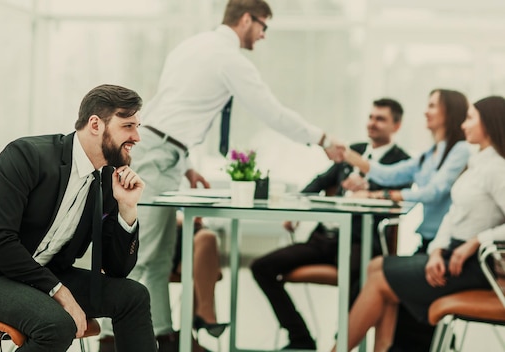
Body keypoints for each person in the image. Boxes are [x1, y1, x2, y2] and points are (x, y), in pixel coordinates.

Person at [99, 1, 345, 350]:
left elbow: (169, 110)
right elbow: (270, 111)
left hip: (163, 152)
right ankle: (114, 341)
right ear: (247, 19)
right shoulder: (229, 59)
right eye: (263, 26)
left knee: (156, 257)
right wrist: (321, 139)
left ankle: (163, 338)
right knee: (143, 256)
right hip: (156, 155)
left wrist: (185, 164)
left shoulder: (193, 46)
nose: (263, 35)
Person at [0, 84, 157, 352]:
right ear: (95, 124)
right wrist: (59, 290)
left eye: (137, 126)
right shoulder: (26, 155)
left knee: (133, 296)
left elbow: (117, 270)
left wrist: (127, 209)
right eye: (128, 126)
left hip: (40, 274)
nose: (137, 136)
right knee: (55, 324)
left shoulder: (106, 179)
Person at [331, 95, 505, 352]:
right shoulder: (477, 162)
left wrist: (476, 242)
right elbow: (452, 214)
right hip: (451, 254)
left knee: (379, 278)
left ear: (488, 123)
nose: (464, 125)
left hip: (473, 264)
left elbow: (436, 195)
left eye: (470, 119)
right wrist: (436, 250)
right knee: (377, 269)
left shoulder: (497, 168)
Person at [250, 98, 411, 350]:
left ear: (396, 125)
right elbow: (319, 182)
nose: (372, 123)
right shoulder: (352, 151)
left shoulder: (402, 162)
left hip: (360, 241)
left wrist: (369, 186)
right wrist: (295, 209)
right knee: (261, 267)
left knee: (360, 274)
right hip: (324, 239)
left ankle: (342, 343)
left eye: (380, 119)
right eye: (371, 117)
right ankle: (300, 338)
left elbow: (402, 193)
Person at [170, 214, 227, 338]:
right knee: (197, 268)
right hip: (167, 233)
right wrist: (179, 218)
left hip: (196, 232)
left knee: (208, 237)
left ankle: (189, 338)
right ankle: (203, 317)